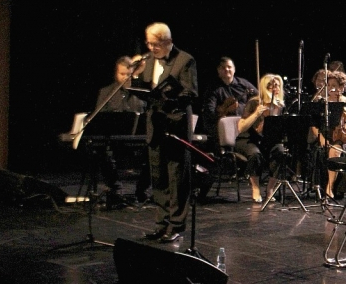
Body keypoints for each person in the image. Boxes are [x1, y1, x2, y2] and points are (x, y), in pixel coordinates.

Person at [130, 22, 198, 243]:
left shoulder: (185, 60)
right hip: (155, 124)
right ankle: (161, 224)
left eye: (155, 44)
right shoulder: (148, 60)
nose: (151, 48)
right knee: (158, 177)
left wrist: (168, 97)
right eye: (148, 43)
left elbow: (191, 93)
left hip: (175, 125)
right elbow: (144, 90)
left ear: (168, 42)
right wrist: (136, 77)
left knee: (177, 178)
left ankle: (176, 225)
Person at [94, 57, 148, 207]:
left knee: (156, 151)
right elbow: (100, 118)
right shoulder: (106, 92)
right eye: (122, 74)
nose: (125, 78)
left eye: (128, 74)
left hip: (137, 140)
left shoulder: (142, 93)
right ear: (116, 74)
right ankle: (115, 188)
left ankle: (142, 190)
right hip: (114, 140)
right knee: (101, 150)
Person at [235, 74, 289, 203]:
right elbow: (241, 127)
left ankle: (270, 189)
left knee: (281, 152)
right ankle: (255, 188)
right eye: (270, 85)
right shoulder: (254, 102)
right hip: (248, 139)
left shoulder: (281, 105)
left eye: (276, 85)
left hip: (269, 140)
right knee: (255, 154)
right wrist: (256, 114)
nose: (274, 88)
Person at [321, 70, 346, 200]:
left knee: (335, 149)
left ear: (342, 88)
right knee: (328, 148)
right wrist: (322, 139)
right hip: (326, 137)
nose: (331, 88)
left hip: (343, 140)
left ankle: (329, 187)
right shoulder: (323, 103)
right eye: (329, 85)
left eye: (335, 85)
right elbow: (316, 125)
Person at [203, 57, 257, 122]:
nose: (226, 69)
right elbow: (210, 111)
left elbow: (258, 98)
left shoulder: (244, 84)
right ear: (218, 71)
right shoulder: (213, 89)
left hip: (245, 121)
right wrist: (224, 110)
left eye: (229, 67)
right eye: (223, 68)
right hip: (224, 123)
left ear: (234, 69)